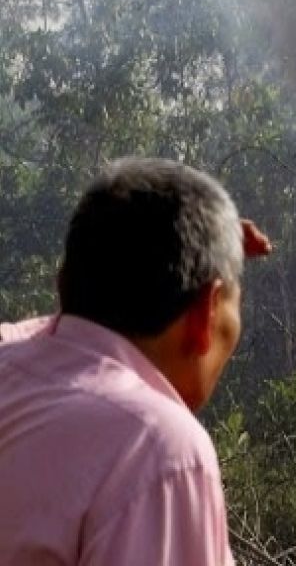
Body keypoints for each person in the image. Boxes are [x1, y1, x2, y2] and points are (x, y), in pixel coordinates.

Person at [0, 157, 271, 564]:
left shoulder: (12, 364)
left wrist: (196, 244)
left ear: (63, 286)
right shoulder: (155, 451)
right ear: (206, 315)